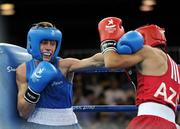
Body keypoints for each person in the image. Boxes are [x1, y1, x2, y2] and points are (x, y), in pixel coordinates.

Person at [16, 21, 104, 129]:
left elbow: (94, 61)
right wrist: (33, 90)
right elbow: (23, 112)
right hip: (38, 122)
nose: (49, 48)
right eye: (44, 43)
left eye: (52, 44)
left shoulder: (64, 65)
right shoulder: (23, 70)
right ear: (33, 43)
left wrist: (112, 48)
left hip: (68, 123)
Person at [98, 17, 180, 129]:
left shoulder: (147, 51)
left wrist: (108, 42)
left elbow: (111, 62)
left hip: (149, 122)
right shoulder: (174, 67)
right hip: (171, 124)